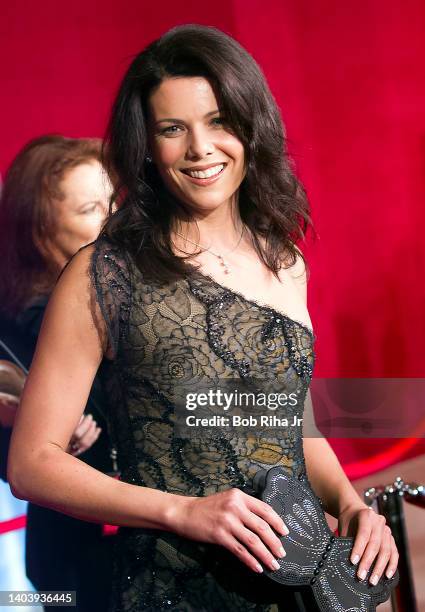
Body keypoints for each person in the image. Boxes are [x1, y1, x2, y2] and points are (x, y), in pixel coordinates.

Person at [8, 26, 398, 612]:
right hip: (173, 587)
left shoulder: (285, 262)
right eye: (172, 128)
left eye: (218, 121)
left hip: (292, 583)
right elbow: (31, 464)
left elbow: (288, 422)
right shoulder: (103, 275)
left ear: (250, 125)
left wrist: (350, 505)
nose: (200, 148)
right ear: (145, 145)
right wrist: (182, 511)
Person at [0, 135, 116, 611]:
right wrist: (33, 436)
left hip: (157, 547)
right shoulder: (17, 324)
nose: (112, 221)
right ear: (41, 229)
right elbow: (15, 467)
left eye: (113, 203)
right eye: (91, 208)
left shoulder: (123, 297)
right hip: (73, 566)